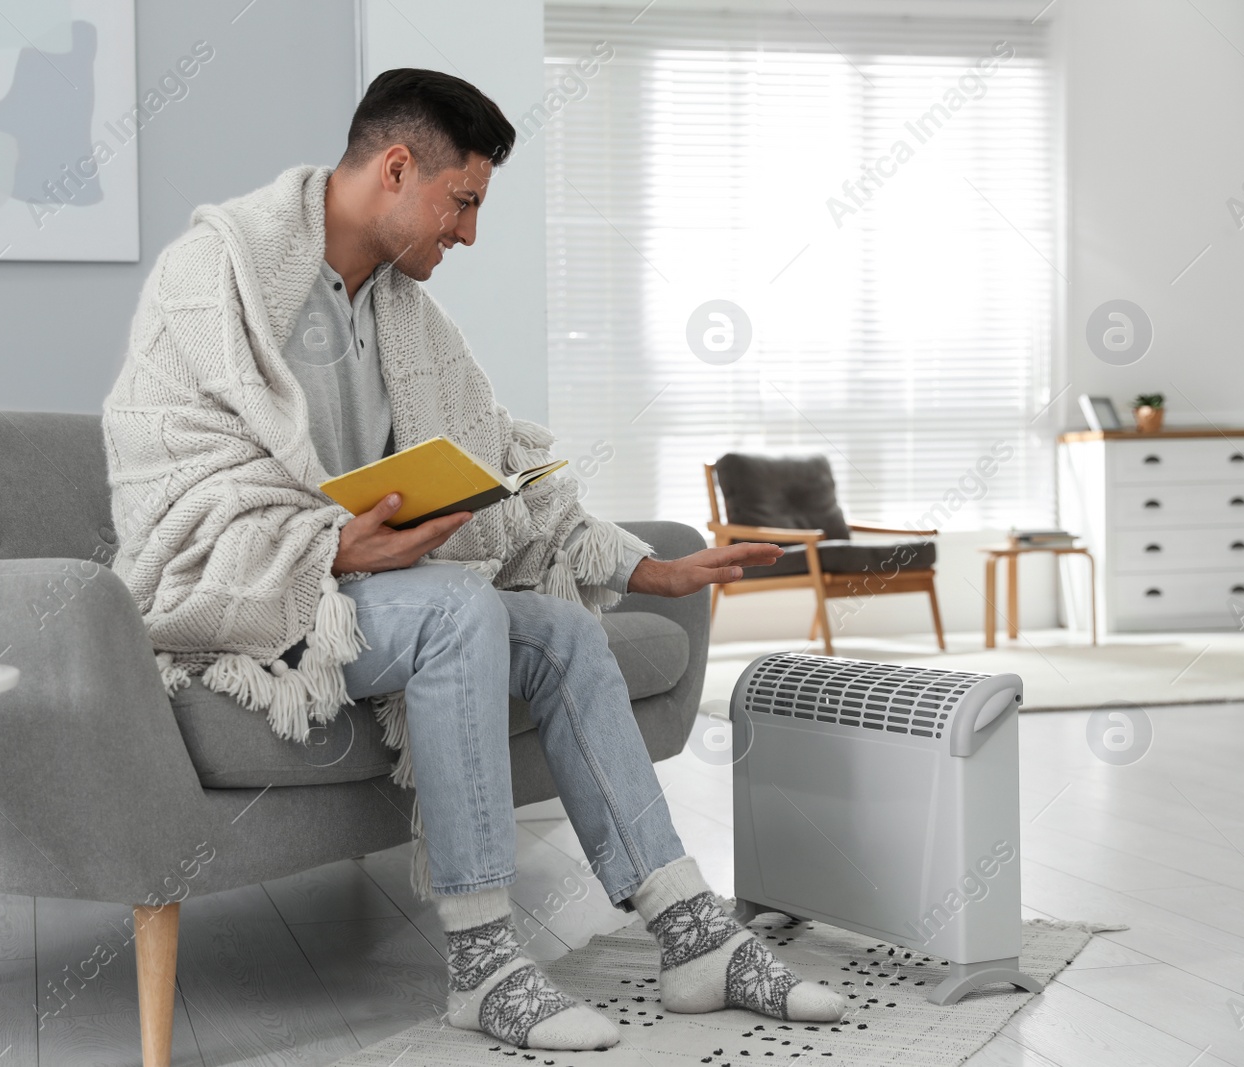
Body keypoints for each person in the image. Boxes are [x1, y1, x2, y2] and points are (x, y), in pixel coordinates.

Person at [102, 67, 844, 1052]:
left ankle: (690, 930)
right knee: (460, 608)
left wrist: (645, 570)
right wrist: (326, 544)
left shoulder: (409, 315)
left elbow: (503, 454)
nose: (467, 233)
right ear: (397, 168)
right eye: (462, 201)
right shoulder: (214, 278)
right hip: (261, 601)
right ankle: (482, 963)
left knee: (566, 632)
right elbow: (169, 473)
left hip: (383, 599)